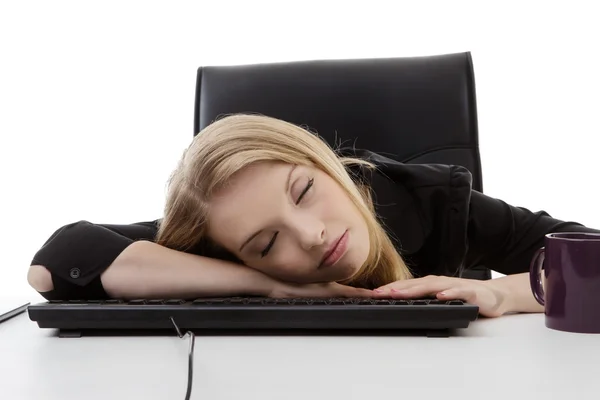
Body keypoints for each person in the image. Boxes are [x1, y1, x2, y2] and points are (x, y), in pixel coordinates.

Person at [26, 114, 600, 318]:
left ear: (324, 163)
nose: (311, 235)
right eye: (267, 243)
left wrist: (503, 295)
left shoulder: (428, 198)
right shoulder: (216, 241)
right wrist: (269, 286)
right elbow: (54, 266)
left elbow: (592, 256)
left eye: (303, 191)